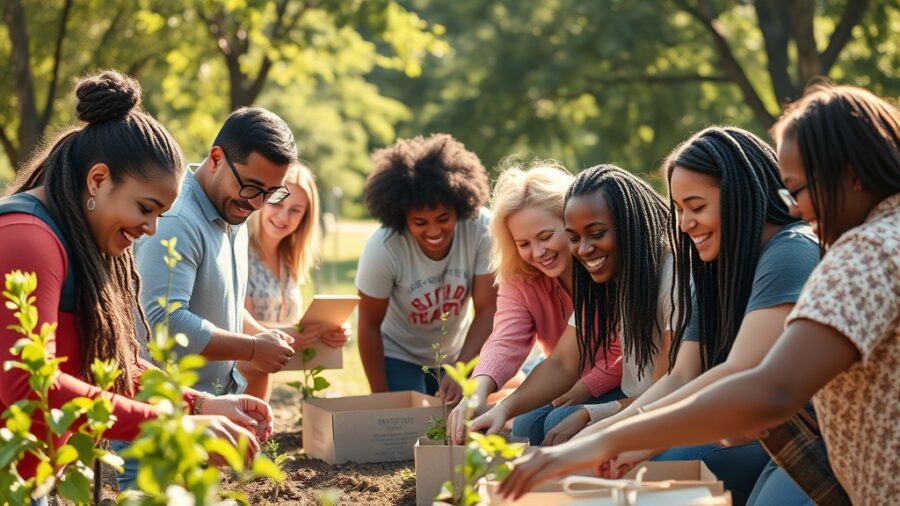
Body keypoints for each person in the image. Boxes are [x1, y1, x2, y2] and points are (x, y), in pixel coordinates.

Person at [499, 85, 900, 506]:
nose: (797, 208)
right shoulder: (719, 266)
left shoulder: (859, 251)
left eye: (798, 190)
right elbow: (690, 375)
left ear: (852, 174)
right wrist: (608, 435)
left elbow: (765, 387)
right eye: (679, 210)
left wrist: (602, 440)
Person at [0, 71, 271, 505]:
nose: (151, 229)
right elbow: (31, 387)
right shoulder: (27, 239)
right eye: (146, 208)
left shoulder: (76, 239)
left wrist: (196, 404)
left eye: (161, 213)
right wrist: (170, 425)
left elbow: (111, 365)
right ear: (97, 180)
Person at [463, 165, 675, 446]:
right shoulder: (534, 277)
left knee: (560, 424)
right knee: (528, 425)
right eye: (524, 243)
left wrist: (588, 398)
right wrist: (485, 395)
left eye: (546, 236)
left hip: (624, 385)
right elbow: (533, 350)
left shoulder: (610, 268)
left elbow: (648, 374)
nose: (538, 252)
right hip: (592, 382)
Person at [136, 106, 306, 397]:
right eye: (251, 187)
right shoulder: (176, 221)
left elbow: (215, 300)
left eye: (272, 193)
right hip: (165, 418)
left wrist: (262, 335)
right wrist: (251, 349)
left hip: (211, 410)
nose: (257, 204)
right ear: (216, 159)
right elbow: (164, 321)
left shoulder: (231, 211)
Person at [355, 134, 496, 403]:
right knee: (411, 424)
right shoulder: (383, 247)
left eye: (443, 218)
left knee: (463, 423)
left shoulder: (481, 229)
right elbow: (369, 325)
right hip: (399, 354)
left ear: (460, 207)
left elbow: (488, 309)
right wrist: (382, 398)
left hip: (456, 353)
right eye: (420, 222)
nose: (434, 231)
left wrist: (460, 370)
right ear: (402, 218)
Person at [243, 162, 349, 401]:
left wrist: (330, 331)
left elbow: (291, 325)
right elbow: (239, 327)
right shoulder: (241, 252)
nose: (283, 217)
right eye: (277, 203)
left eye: (295, 210)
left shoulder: (289, 260)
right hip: (231, 384)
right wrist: (291, 333)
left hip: (261, 382)